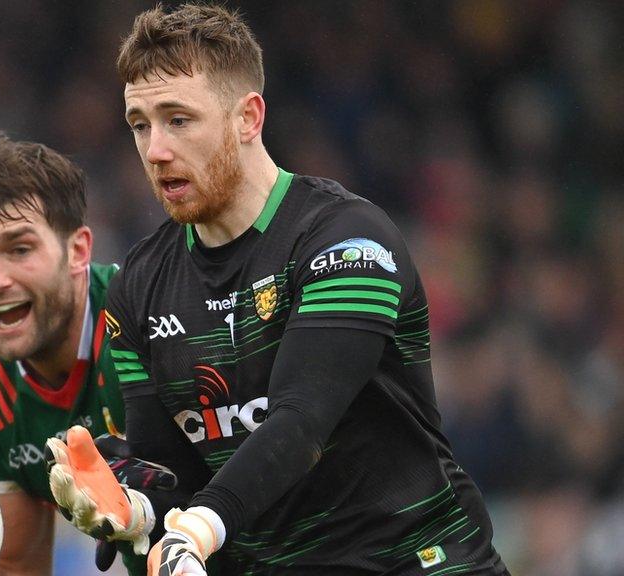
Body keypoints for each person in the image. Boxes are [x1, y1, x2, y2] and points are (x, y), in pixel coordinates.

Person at [48, 5, 509, 575]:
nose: (156, 149)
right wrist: (138, 510)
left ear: (248, 117)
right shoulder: (138, 289)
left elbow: (301, 422)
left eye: (179, 119)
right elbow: (173, 473)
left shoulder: (348, 241)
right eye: (140, 124)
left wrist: (195, 528)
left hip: (418, 563)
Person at [0, 130, 170, 576]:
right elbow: (16, 565)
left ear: (78, 251)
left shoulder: (149, 324)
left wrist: (141, 511)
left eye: (19, 248)